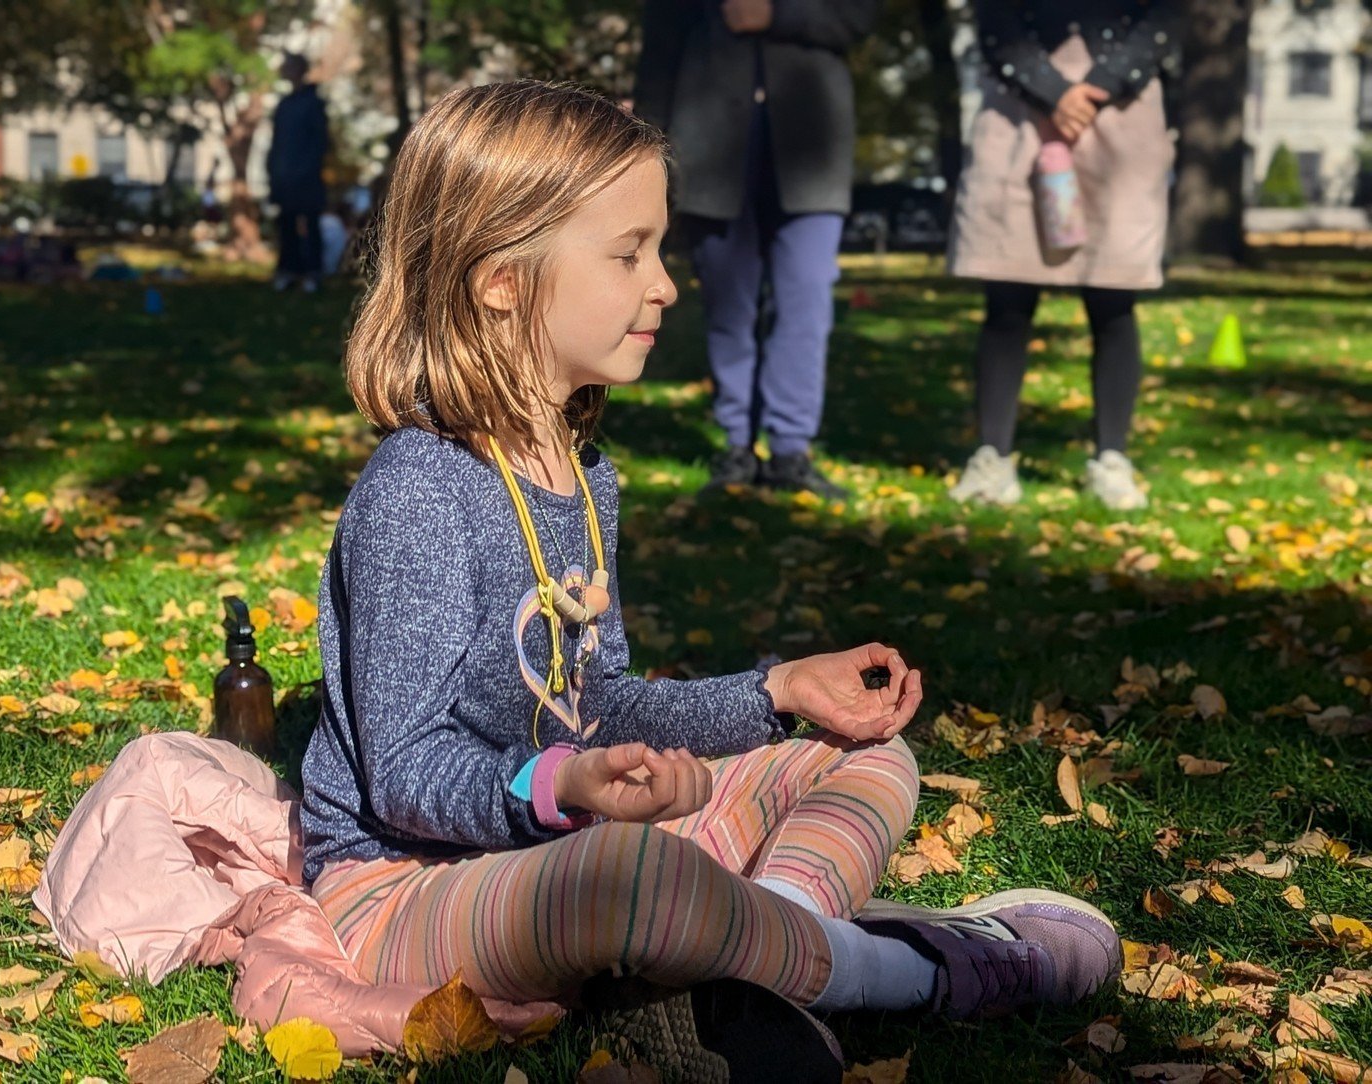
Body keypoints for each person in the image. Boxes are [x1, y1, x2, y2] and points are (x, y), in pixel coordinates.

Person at [299, 81, 1121, 1050]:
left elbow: (596, 702)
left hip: (561, 855)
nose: (666, 283)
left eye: (660, 247)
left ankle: (763, 970)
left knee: (862, 754)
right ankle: (920, 973)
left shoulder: (582, 474)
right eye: (628, 252)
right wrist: (563, 787)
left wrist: (776, 693)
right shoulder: (420, 488)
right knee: (630, 881)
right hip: (405, 889)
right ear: (500, 277)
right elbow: (403, 773)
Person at [635, 0, 877, 499]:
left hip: (814, 147)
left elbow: (858, 18)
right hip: (709, 149)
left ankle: (791, 449)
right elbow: (659, 48)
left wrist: (777, 15)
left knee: (806, 301)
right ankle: (737, 446)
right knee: (729, 307)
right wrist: (644, 151)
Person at [947, 0, 1178, 510]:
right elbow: (995, 20)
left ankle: (1112, 457)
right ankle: (992, 457)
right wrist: (1051, 90)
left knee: (1114, 302)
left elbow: (1163, 17)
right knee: (1006, 298)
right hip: (1018, 115)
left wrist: (1101, 85)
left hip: (1121, 115)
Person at [266, 53, 329, 293]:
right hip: (284, 177)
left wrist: (305, 170)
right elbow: (276, 142)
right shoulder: (284, 105)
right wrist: (274, 171)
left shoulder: (313, 103)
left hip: (307, 177)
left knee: (310, 223)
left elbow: (319, 142)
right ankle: (288, 271)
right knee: (286, 225)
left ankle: (313, 272)